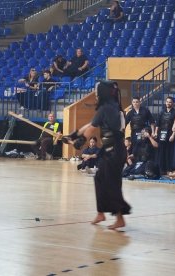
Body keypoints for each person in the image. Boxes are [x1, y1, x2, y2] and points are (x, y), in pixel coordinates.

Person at [63, 80, 130, 230]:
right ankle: (101, 213)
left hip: (115, 151)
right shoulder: (110, 107)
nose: (96, 95)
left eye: (97, 92)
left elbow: (92, 128)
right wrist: (73, 135)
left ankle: (119, 219)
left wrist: (79, 142)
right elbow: (91, 123)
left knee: (112, 185)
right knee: (100, 179)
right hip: (111, 150)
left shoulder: (106, 108)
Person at [154, 96, 175, 175]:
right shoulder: (162, 112)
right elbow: (158, 123)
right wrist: (156, 132)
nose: (168, 103)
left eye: (170, 102)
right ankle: (161, 169)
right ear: (165, 102)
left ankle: (169, 169)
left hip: (169, 135)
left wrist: (173, 135)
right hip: (161, 134)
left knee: (169, 152)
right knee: (161, 152)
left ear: (173, 103)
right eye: (167, 102)